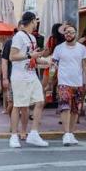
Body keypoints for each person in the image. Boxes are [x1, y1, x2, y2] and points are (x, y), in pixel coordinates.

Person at [8, 11, 50, 148]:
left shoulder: (32, 37)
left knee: (40, 101)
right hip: (20, 76)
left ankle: (34, 133)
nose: (37, 23)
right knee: (18, 105)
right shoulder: (18, 36)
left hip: (31, 74)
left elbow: (34, 58)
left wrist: (47, 61)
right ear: (32, 21)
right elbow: (12, 56)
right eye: (36, 21)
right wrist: (29, 55)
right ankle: (14, 136)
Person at [52, 23, 86, 146]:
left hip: (77, 82)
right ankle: (66, 133)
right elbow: (54, 64)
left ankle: (71, 133)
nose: (68, 34)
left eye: (71, 32)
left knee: (75, 109)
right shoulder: (59, 48)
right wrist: (51, 79)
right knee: (65, 107)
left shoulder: (82, 48)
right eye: (66, 32)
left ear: (76, 34)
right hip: (63, 82)